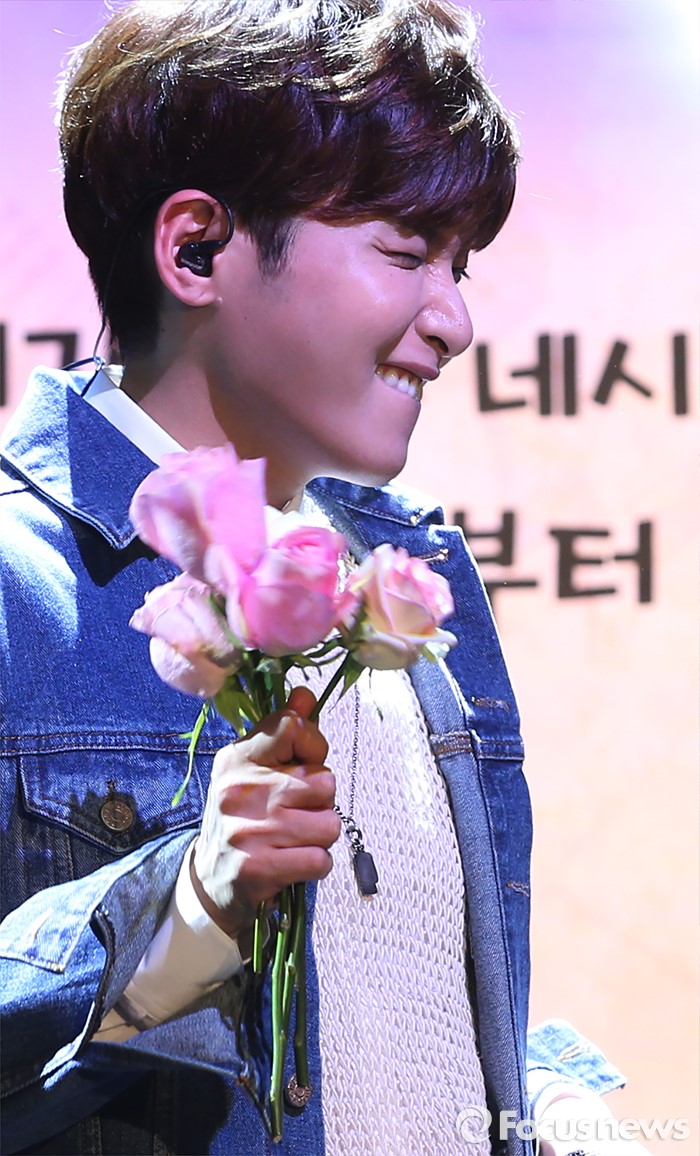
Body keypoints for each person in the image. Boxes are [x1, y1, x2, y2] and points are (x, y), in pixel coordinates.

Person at [0, 2, 646, 1154]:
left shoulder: (414, 575)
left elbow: (394, 991)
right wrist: (179, 913)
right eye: (406, 252)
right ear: (196, 249)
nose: (452, 320)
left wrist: (542, 1099)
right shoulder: (20, 585)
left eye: (459, 266)